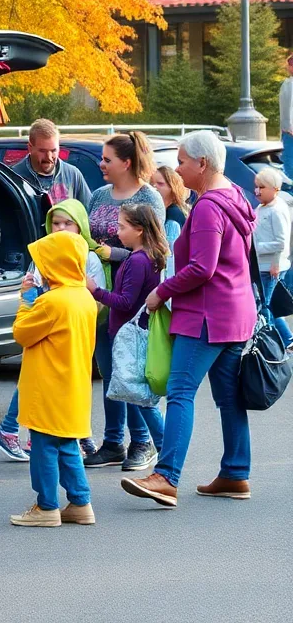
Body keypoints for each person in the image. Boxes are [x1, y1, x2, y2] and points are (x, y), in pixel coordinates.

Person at [124, 131, 256, 507]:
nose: (178, 169)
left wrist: (160, 292)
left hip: (206, 315)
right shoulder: (236, 196)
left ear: (202, 164)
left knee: (181, 393)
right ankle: (235, 473)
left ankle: (166, 477)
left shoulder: (209, 206)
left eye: (182, 161)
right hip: (236, 311)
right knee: (229, 399)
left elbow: (202, 267)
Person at [0, 199, 106, 462]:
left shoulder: (89, 259)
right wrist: (30, 299)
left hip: (70, 332)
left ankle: (73, 436)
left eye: (68, 223)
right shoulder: (44, 253)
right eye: (56, 223)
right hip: (45, 328)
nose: (61, 228)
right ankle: (25, 433)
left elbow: (97, 299)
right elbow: (29, 311)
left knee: (66, 386)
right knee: (39, 381)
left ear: (81, 227)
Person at [84, 132, 166, 470]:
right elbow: (87, 236)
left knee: (132, 374)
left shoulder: (149, 197)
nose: (101, 164)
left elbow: (156, 249)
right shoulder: (100, 194)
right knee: (110, 372)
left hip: (127, 300)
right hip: (102, 300)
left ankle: (144, 443)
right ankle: (113, 442)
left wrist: (111, 252)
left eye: (107, 159)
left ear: (126, 163)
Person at [9, 231, 98, 528]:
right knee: (67, 444)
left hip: (49, 386)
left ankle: (47, 506)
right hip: (73, 386)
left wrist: (26, 300)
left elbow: (22, 332)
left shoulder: (53, 302)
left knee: (44, 445)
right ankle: (80, 502)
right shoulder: (84, 297)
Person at [252, 167, 293, 347]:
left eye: (262, 187)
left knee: (266, 306)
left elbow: (281, 242)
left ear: (275, 189)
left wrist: (257, 248)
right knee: (268, 306)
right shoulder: (262, 207)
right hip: (261, 265)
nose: (257, 191)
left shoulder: (277, 210)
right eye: (256, 187)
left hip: (271, 268)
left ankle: (272, 342)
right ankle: (286, 339)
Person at [10, 119, 93, 206]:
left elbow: (91, 214)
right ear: (30, 148)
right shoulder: (13, 177)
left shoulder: (73, 175)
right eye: (42, 151)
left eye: (53, 151)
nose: (49, 157)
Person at [152, 165, 190, 280]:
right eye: (152, 183)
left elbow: (170, 254)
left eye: (160, 184)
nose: (154, 187)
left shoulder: (173, 214)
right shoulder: (165, 211)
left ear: (172, 187)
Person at [279, 52, 293, 183]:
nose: (287, 68)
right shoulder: (287, 84)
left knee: (289, 166)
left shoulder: (289, 84)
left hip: (289, 132)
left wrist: (289, 128)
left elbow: (288, 108)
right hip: (288, 131)